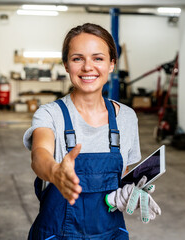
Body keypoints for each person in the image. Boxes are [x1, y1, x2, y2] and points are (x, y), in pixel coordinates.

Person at [23, 23, 160, 240]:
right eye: (78, 58)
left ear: (112, 64)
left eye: (98, 58)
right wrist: (55, 172)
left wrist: (125, 192)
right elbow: (39, 154)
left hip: (111, 234)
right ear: (66, 65)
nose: (88, 67)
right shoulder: (50, 114)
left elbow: (120, 176)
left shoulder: (126, 117)